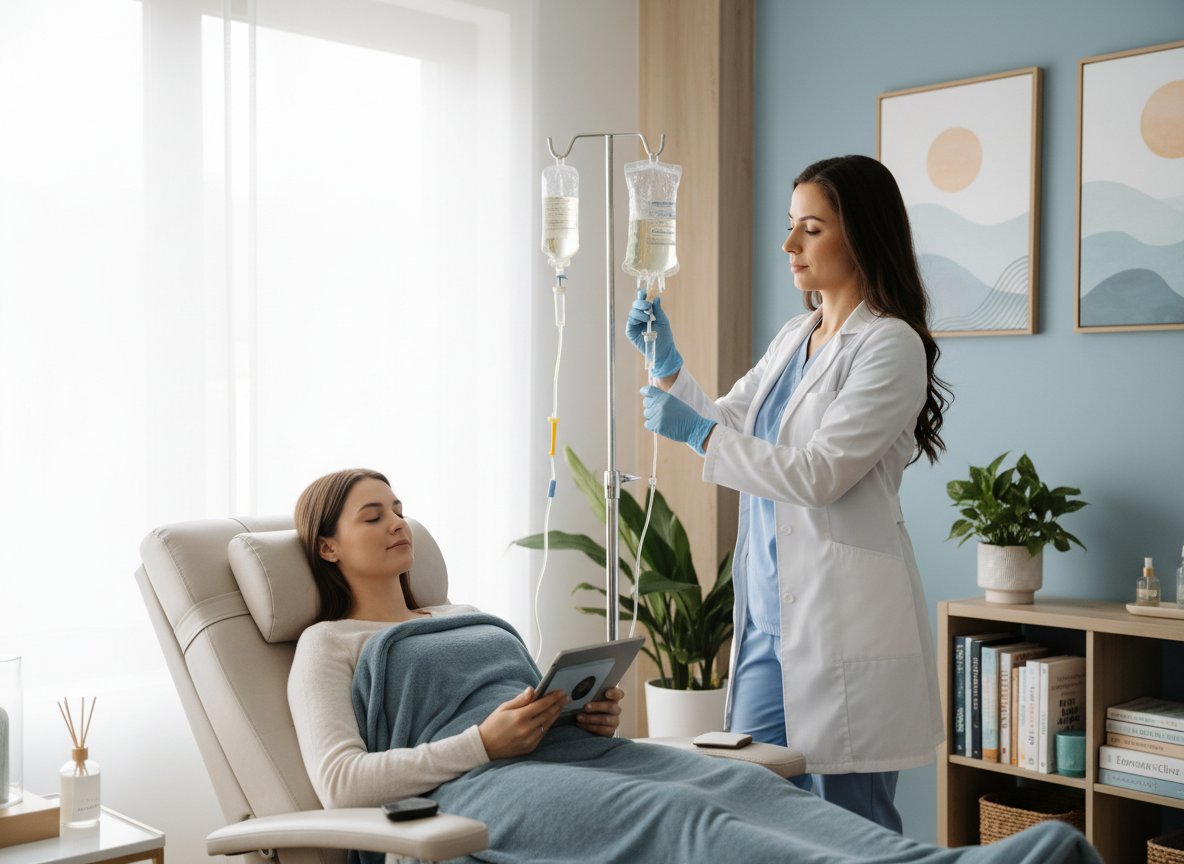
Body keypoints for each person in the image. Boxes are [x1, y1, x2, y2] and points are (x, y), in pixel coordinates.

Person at [285, 468, 1101, 864]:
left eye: (399, 508)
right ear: (329, 546)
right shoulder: (327, 645)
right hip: (482, 787)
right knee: (687, 826)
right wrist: (485, 746)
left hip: (574, 753)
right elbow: (341, 783)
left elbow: (518, 702)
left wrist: (580, 710)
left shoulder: (461, 615)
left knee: (740, 785)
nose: (399, 523)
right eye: (373, 515)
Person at [626, 154, 951, 832]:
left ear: (859, 236)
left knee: (851, 828)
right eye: (790, 226)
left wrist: (696, 435)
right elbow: (730, 423)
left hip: (841, 626)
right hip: (767, 628)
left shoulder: (889, 346)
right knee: (748, 812)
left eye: (810, 228)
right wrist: (668, 367)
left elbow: (817, 474)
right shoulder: (793, 337)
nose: (789, 245)